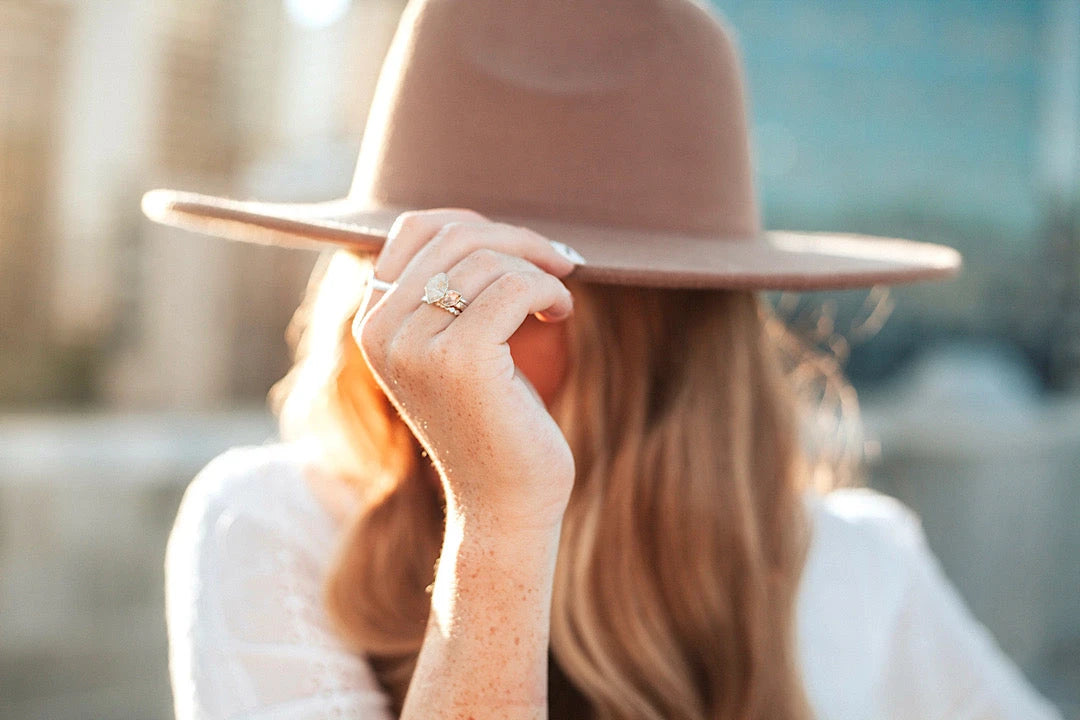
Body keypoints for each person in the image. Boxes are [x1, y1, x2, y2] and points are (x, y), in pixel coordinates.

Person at [148, 1, 1064, 718]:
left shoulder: (855, 565)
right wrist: (500, 518)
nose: (418, 319)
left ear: (656, 334)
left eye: (478, 282)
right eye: (405, 270)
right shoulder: (276, 525)